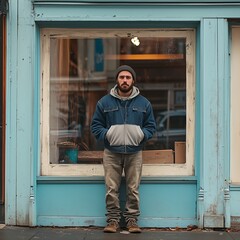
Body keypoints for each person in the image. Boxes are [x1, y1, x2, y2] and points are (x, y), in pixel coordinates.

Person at [91, 65, 156, 233]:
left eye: (128, 77)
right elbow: (96, 126)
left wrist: (141, 134)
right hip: (111, 152)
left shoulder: (144, 103)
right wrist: (110, 134)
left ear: (133, 80)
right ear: (117, 80)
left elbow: (151, 127)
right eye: (122, 77)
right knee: (111, 188)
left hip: (135, 152)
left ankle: (131, 221)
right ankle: (112, 220)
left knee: (133, 188)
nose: (125, 80)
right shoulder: (104, 102)